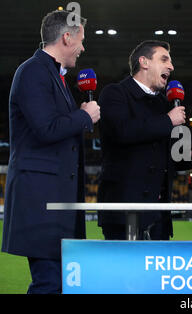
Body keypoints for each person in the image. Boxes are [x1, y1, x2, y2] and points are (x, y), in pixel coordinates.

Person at [1, 10, 100, 294]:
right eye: (81, 40)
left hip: (54, 201)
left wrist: (79, 113)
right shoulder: (33, 71)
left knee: (55, 283)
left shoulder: (53, 75)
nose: (83, 48)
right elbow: (46, 129)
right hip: (41, 200)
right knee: (49, 283)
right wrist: (84, 117)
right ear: (67, 37)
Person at [97, 40, 192, 240]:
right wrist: (168, 120)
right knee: (126, 271)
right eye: (164, 59)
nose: (171, 67)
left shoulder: (164, 104)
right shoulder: (115, 93)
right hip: (123, 212)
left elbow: (168, 159)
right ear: (144, 62)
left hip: (158, 215)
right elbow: (123, 131)